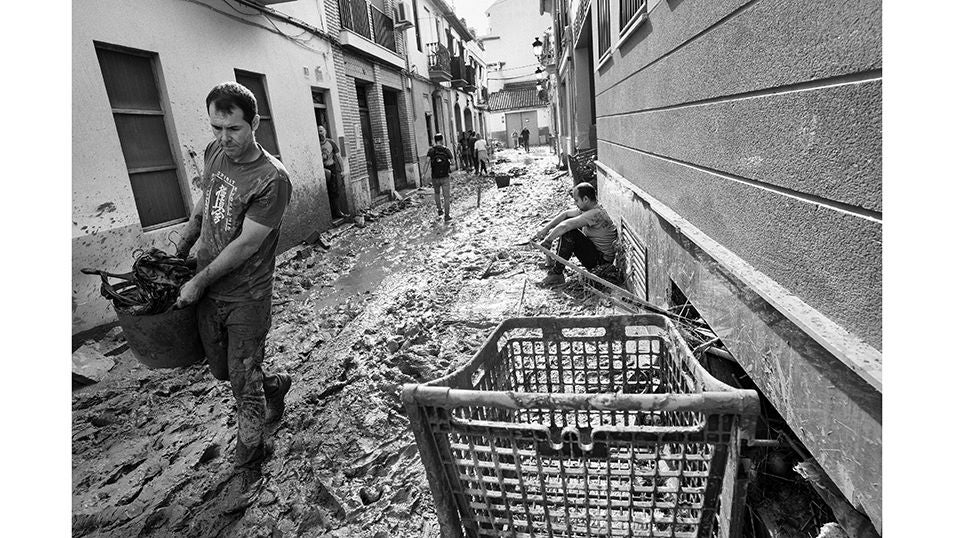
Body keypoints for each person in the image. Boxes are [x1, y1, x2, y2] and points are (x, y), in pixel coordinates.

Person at [174, 82, 293, 513]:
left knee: (242, 383)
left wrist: (200, 280)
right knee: (225, 372)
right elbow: (203, 208)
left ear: (255, 123)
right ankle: (276, 386)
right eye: (216, 126)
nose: (224, 137)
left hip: (247, 294)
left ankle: (249, 457)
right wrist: (179, 251)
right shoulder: (213, 153)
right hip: (209, 288)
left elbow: (245, 245)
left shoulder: (272, 180)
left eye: (234, 128)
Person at [531, 182, 618, 287]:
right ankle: (557, 266)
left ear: (585, 199)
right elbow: (566, 215)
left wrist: (548, 240)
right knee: (568, 226)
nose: (575, 203)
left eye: (577, 200)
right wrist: (546, 229)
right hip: (597, 255)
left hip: (601, 263)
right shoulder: (592, 208)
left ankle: (556, 273)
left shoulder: (594, 214)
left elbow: (566, 226)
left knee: (570, 232)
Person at [421, 133, 454, 222]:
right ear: (442, 139)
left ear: (434, 140)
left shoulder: (431, 150)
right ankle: (447, 216)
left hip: (435, 177)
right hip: (445, 176)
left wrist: (423, 174)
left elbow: (427, 162)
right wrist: (446, 163)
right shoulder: (446, 150)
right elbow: (453, 162)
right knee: (446, 196)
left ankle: (439, 210)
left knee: (437, 193)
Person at [318, 125, 347, 220]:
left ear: (325, 131)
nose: (320, 133)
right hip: (321, 170)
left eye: (321, 131)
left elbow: (338, 157)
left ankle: (337, 212)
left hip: (331, 168)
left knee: (334, 191)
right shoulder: (316, 144)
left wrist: (342, 170)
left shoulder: (331, 142)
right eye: (318, 131)